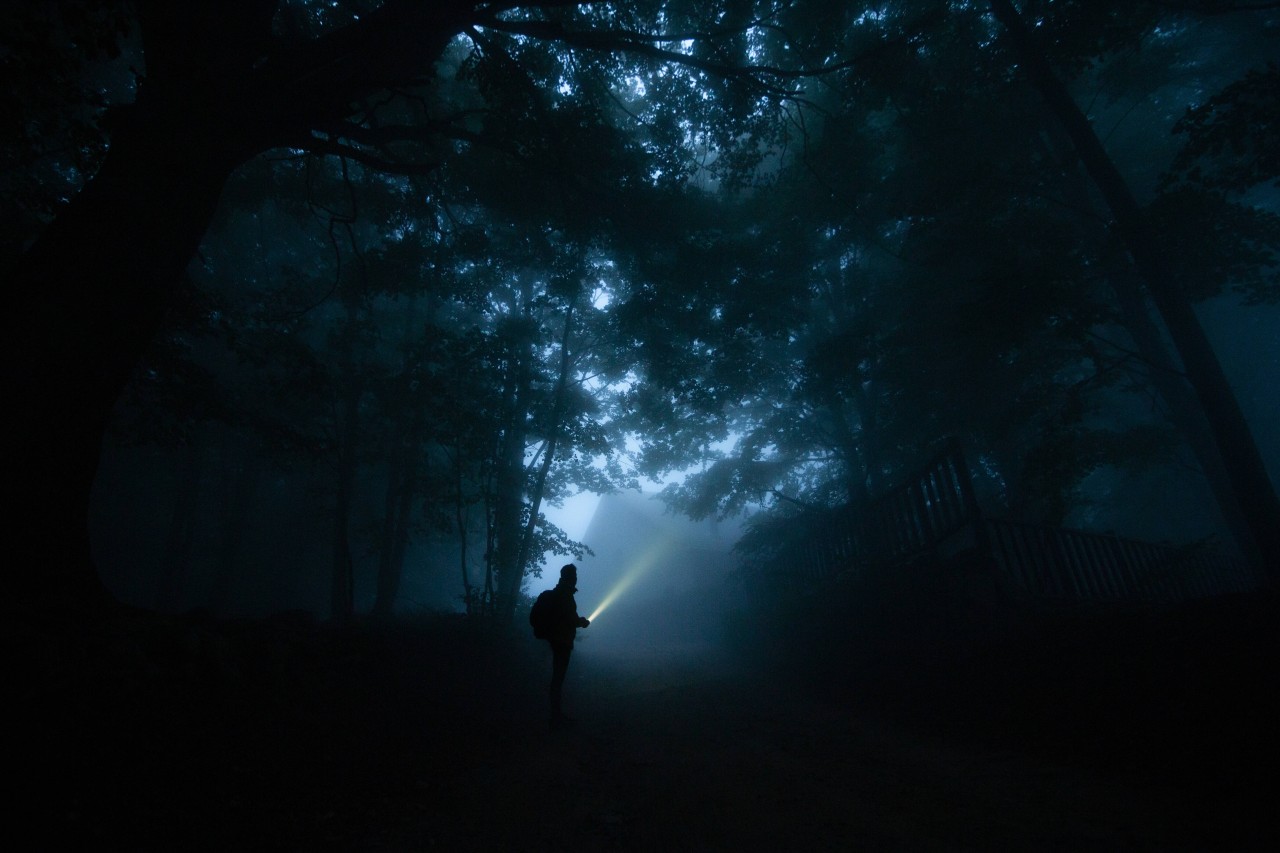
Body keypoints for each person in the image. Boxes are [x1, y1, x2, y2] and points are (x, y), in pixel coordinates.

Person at [544, 563, 590, 730]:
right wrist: (582, 622)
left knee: (557, 678)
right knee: (558, 679)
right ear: (569, 577)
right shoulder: (565, 595)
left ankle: (555, 715)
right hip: (561, 642)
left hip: (557, 640)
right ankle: (555, 718)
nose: (576, 580)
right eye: (574, 576)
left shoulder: (559, 593)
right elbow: (568, 618)